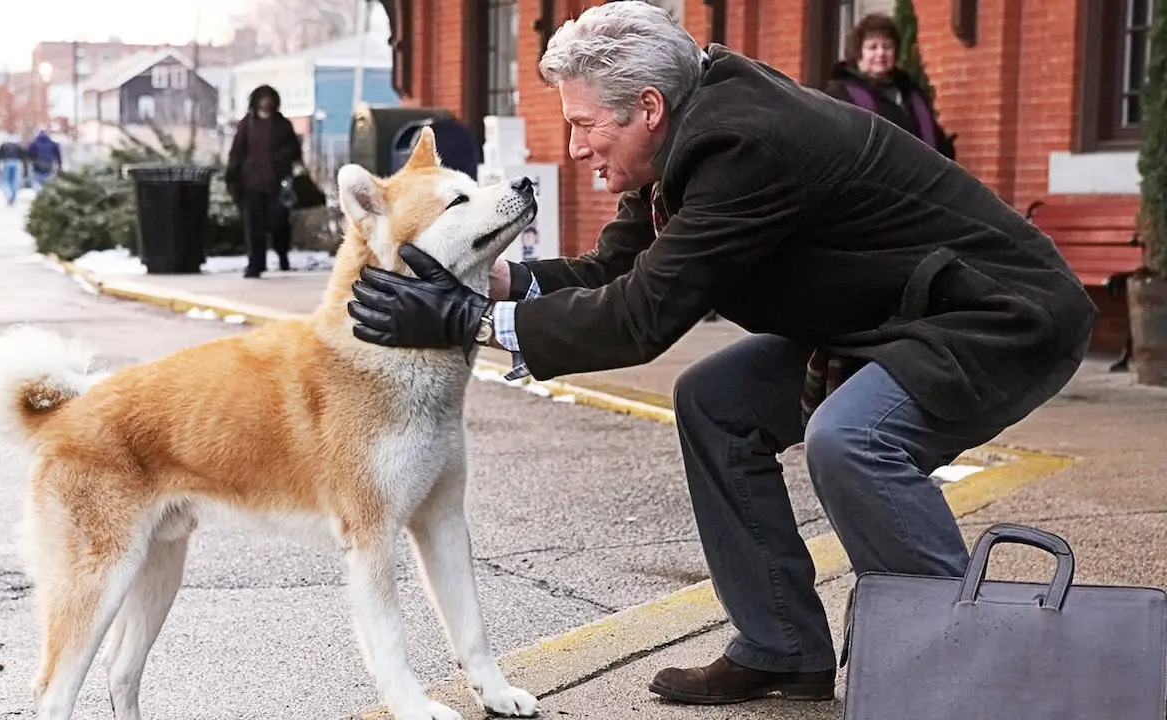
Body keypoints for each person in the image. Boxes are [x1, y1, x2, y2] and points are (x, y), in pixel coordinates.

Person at [346, 1, 1095, 707]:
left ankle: (976, 667)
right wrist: (493, 280)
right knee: (714, 401)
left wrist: (466, 320)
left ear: (647, 108)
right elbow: (616, 272)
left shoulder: (745, 144)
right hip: (892, 318)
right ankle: (782, 646)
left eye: (583, 125)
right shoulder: (683, 133)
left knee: (852, 440)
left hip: (998, 316)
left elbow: (642, 317)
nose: (575, 150)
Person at [824, 13, 956, 160]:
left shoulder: (912, 94)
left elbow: (936, 141)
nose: (881, 53)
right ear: (858, 53)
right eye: (872, 47)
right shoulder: (841, 94)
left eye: (887, 46)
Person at [224, 84, 303, 278]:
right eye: (263, 98)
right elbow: (237, 153)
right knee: (253, 227)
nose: (266, 102)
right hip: (251, 184)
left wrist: (280, 158)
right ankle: (255, 264)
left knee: (279, 223)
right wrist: (232, 176)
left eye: (270, 98)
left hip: (278, 184)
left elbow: (295, 151)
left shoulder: (283, 125)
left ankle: (282, 255)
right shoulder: (246, 125)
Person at [0, 138, 26, 205]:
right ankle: (13, 197)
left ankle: (9, 195)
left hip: (6, 162)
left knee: (5, 181)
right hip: (16, 163)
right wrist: (25, 168)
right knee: (15, 181)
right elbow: (23, 157)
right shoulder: (18, 146)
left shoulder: (4, 145)